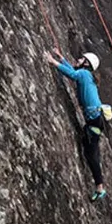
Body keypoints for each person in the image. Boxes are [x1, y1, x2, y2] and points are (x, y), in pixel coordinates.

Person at [45, 49, 107, 201]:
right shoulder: (86, 75)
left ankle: (100, 188)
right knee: (90, 148)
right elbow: (73, 71)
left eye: (81, 59)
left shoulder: (85, 74)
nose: (78, 59)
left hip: (94, 120)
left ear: (86, 64)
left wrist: (54, 62)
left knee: (91, 155)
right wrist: (61, 57)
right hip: (95, 119)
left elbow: (72, 74)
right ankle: (99, 186)